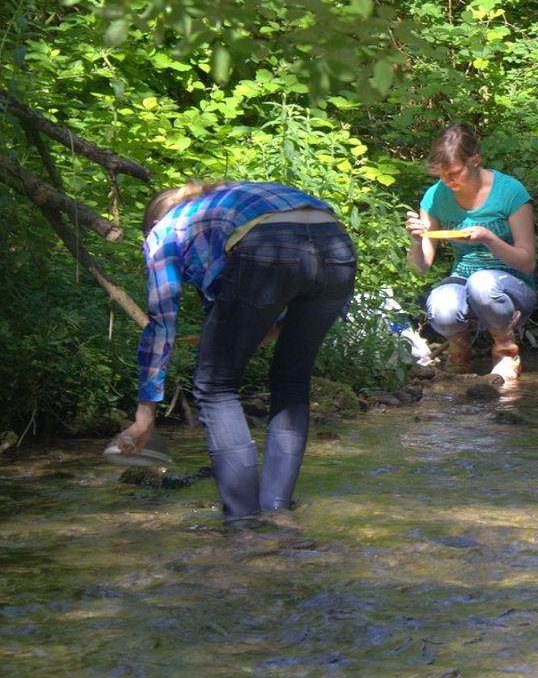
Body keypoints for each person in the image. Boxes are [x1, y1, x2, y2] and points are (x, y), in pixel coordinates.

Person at [111, 181, 357, 523]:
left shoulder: (164, 230)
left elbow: (161, 323)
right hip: (338, 244)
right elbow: (279, 287)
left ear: (152, 224)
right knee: (291, 380)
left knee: (215, 388)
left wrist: (145, 414)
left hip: (270, 245)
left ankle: (242, 522)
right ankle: (276, 512)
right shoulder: (219, 211)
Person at [405, 122, 536, 383]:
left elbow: (528, 262)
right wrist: (416, 240)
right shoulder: (435, 196)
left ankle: (505, 349)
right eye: (442, 175)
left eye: (454, 173)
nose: (448, 181)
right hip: (463, 280)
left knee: (482, 282)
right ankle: (459, 349)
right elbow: (422, 268)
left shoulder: (510, 192)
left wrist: (488, 238)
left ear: (475, 161)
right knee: (440, 306)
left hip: (512, 285)